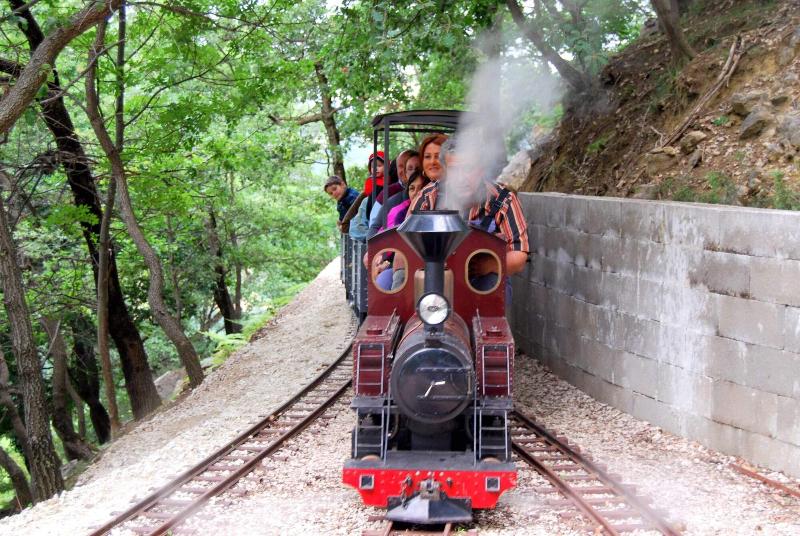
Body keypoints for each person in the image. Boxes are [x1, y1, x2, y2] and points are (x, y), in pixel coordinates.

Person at [411, 137, 529, 280]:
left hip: (485, 282)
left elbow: (519, 255)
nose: (461, 178)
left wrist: (488, 265)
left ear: (482, 170)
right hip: (434, 279)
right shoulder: (428, 197)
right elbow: (405, 243)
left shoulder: (504, 200)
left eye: (468, 169)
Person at [367, 150, 418, 239]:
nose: (404, 170)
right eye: (401, 166)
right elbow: (374, 226)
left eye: (413, 168)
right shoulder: (387, 193)